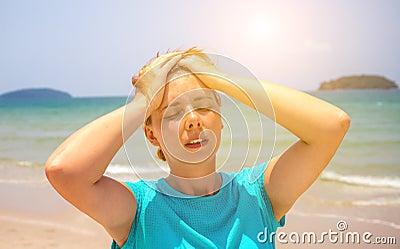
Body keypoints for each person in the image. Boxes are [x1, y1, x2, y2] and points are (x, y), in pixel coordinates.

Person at [45, 48, 350, 248]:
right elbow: (64, 170)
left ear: (220, 120)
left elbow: (332, 126)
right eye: (174, 113)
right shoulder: (140, 209)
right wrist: (143, 101)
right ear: (152, 136)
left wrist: (221, 80)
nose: (192, 121)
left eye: (203, 107)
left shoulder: (259, 194)